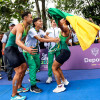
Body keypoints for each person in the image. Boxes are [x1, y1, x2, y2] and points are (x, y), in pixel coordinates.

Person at [4, 12, 37, 100]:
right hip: (9, 49)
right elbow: (17, 41)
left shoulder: (26, 28)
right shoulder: (20, 26)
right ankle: (13, 95)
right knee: (18, 71)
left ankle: (19, 86)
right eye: (31, 17)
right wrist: (27, 49)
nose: (32, 19)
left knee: (24, 66)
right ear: (25, 18)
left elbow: (21, 42)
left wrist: (27, 47)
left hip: (15, 49)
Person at [23, 17, 60, 93]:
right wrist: (53, 40)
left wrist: (54, 39)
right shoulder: (31, 31)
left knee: (38, 65)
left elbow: (47, 37)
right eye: (40, 21)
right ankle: (33, 86)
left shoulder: (40, 31)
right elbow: (40, 39)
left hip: (36, 50)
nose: (41, 22)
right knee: (33, 66)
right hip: (28, 51)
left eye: (41, 21)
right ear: (35, 23)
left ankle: (32, 77)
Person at [52, 18, 71, 93]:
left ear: (65, 20)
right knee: (57, 67)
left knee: (53, 67)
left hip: (64, 52)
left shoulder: (65, 28)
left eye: (61, 19)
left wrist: (54, 16)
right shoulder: (67, 29)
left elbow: (60, 26)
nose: (60, 20)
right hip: (64, 51)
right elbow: (65, 41)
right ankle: (64, 81)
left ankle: (60, 86)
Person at [45, 19, 61, 83]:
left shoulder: (59, 29)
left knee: (58, 63)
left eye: (55, 22)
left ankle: (59, 76)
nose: (54, 23)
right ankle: (49, 77)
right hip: (51, 49)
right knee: (50, 63)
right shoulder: (48, 30)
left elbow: (61, 37)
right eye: (53, 22)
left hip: (58, 48)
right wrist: (46, 44)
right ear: (51, 23)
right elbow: (45, 38)